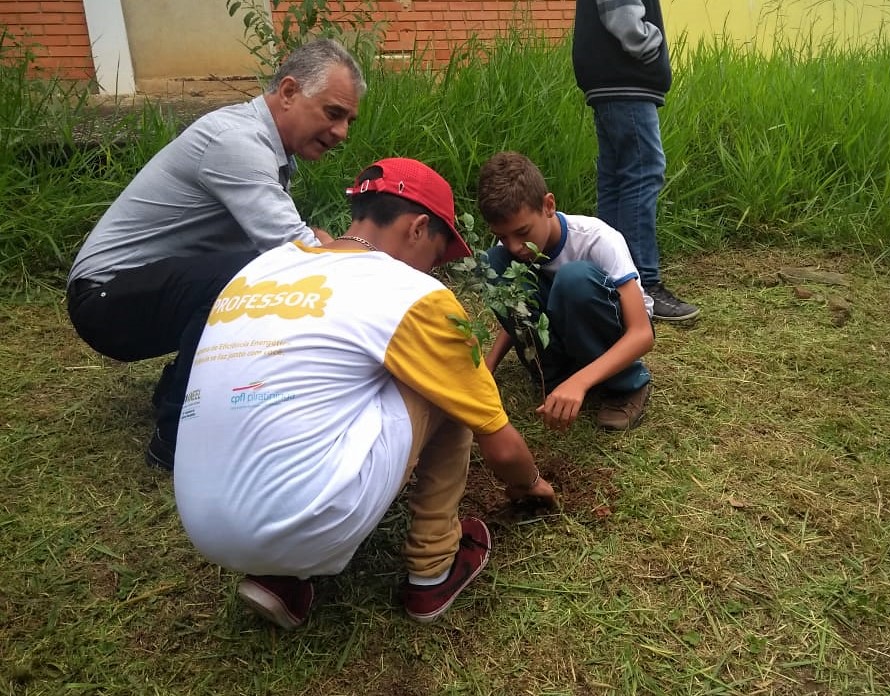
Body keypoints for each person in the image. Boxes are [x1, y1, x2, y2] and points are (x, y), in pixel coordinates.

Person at [173, 158, 557, 629]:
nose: (433, 272)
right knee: (449, 385)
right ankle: (435, 566)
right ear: (418, 228)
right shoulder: (411, 293)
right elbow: (498, 443)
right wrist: (530, 485)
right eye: (436, 257)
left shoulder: (265, 267)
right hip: (305, 517)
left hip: (202, 521)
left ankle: (282, 577)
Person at [65, 37, 365, 471]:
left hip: (134, 291)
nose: (342, 133)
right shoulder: (236, 143)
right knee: (261, 274)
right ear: (288, 92)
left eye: (349, 120)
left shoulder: (264, 147)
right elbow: (294, 250)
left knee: (262, 274)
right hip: (103, 299)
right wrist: (362, 257)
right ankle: (175, 438)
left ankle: (179, 388)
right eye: (333, 113)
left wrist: (319, 242)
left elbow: (287, 240)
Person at [477, 151, 655, 431]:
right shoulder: (512, 251)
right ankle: (555, 378)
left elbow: (642, 334)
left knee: (574, 280)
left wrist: (581, 382)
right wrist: (488, 365)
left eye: (523, 232)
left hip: (613, 333)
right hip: (563, 329)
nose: (514, 246)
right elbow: (516, 307)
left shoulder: (596, 239)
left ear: (548, 205)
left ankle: (626, 385)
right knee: (494, 263)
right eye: (502, 236)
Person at [571, 0, 699, 321]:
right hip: (625, 80)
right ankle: (643, 285)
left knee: (616, 179)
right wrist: (650, 45)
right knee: (642, 174)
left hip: (609, 83)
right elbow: (622, 16)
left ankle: (613, 281)